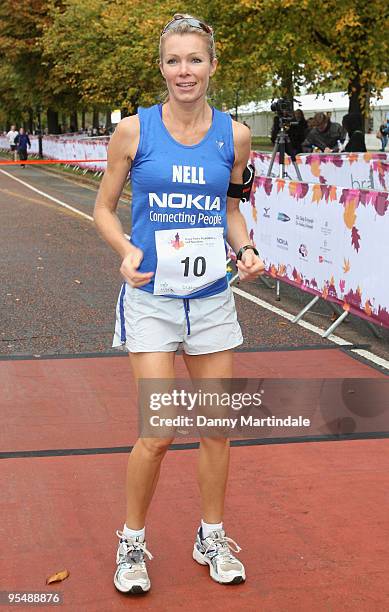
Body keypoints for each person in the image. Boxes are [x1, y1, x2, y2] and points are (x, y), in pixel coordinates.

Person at [93, 12, 265, 596]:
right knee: (160, 430)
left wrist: (245, 249)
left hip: (212, 298)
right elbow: (104, 208)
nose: (184, 71)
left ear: (213, 65)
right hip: (152, 297)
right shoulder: (133, 132)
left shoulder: (234, 135)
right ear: (161, 67)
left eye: (195, 59)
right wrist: (124, 249)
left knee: (216, 427)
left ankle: (210, 534)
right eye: (174, 60)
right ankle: (131, 541)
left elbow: (233, 210)